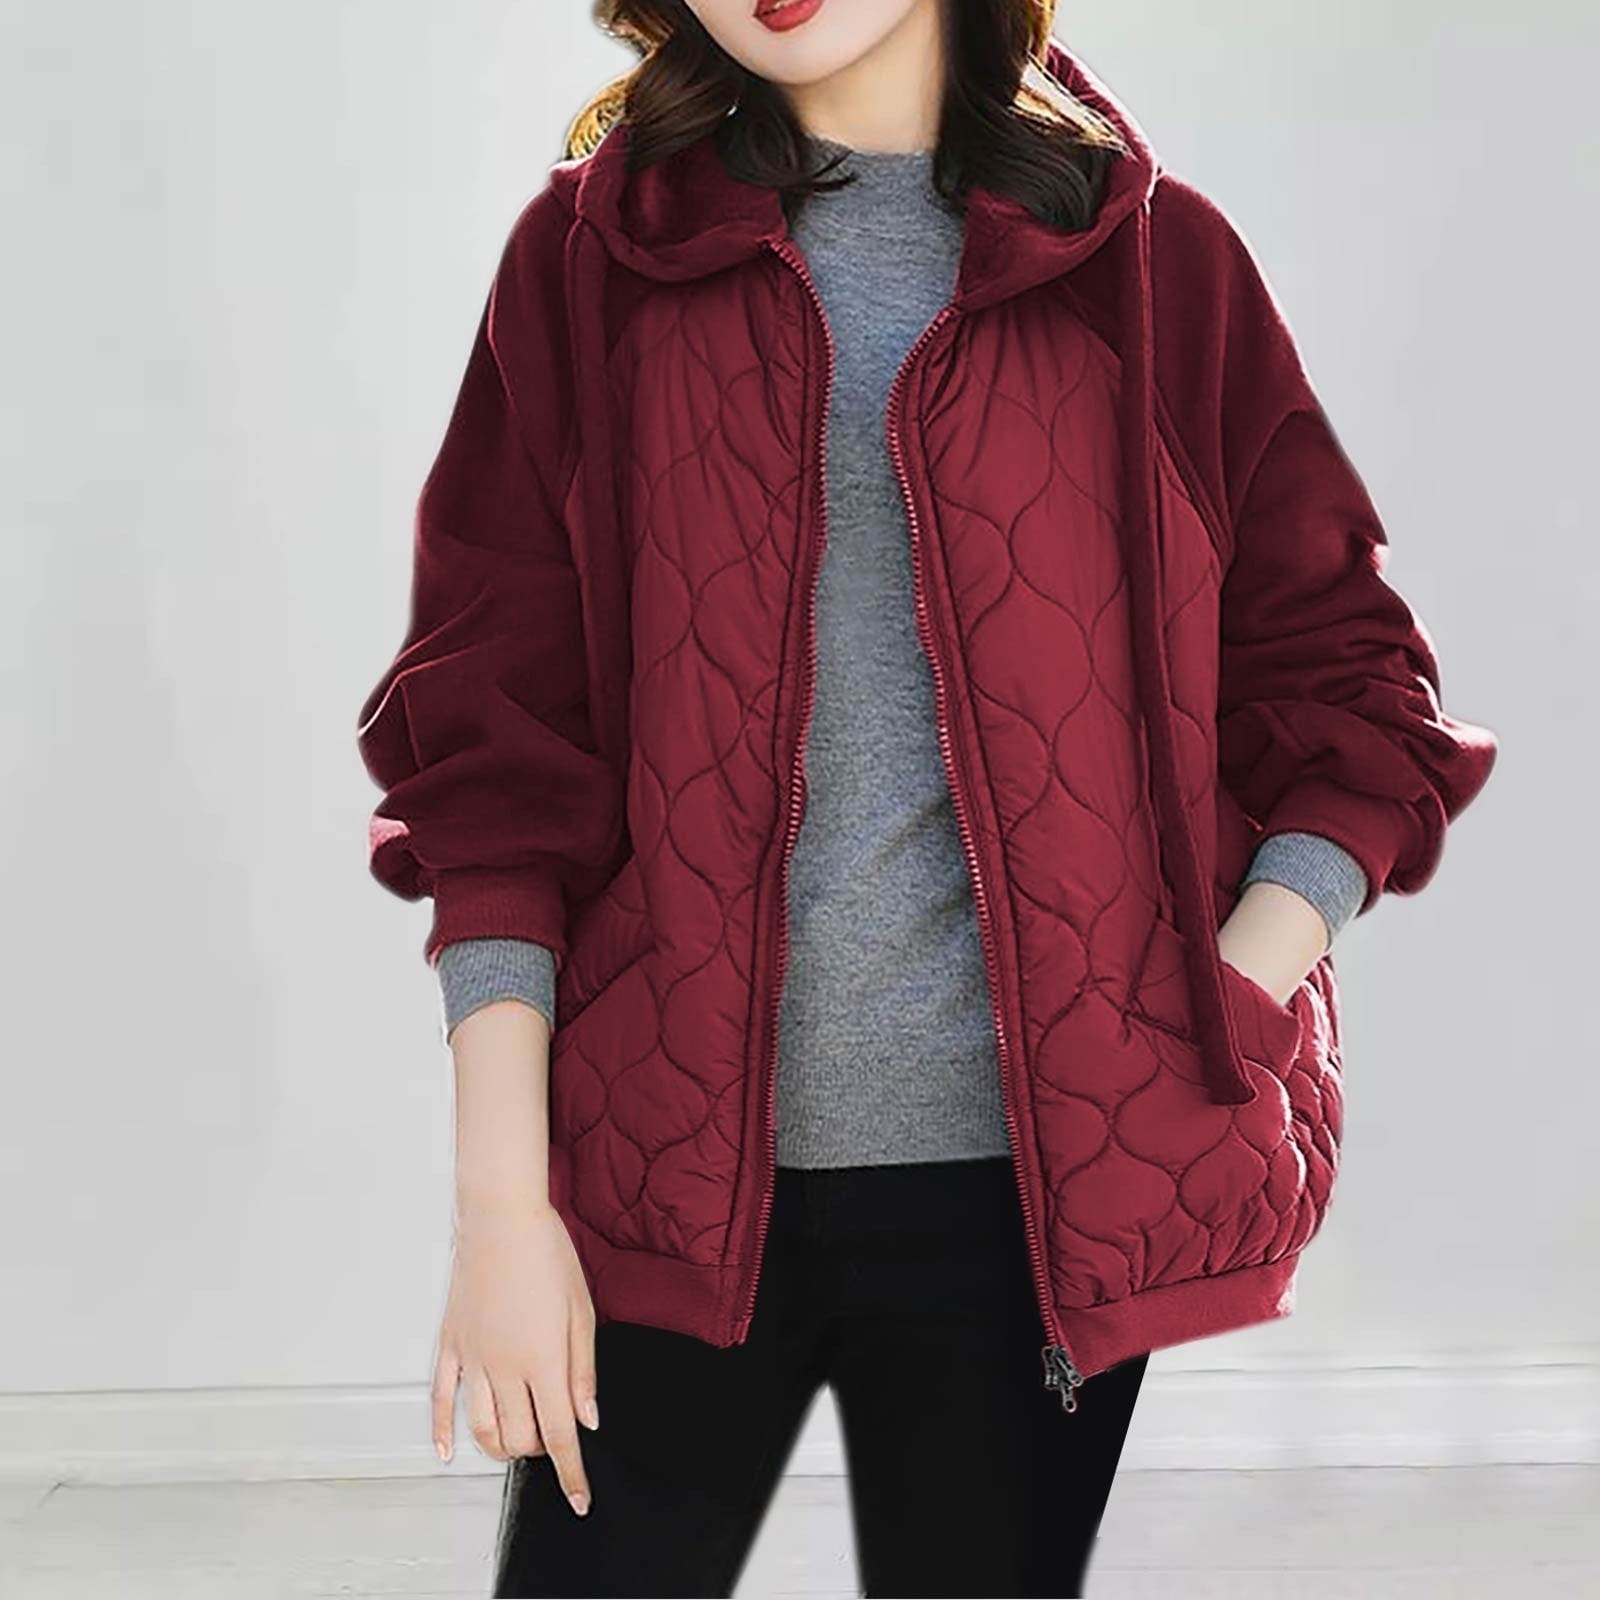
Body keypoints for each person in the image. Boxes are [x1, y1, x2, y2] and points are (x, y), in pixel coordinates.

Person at [353, 2, 1499, 1594]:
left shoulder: (1154, 263)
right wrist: (500, 1203)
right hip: (661, 1182)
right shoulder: (591, 265)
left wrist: (1229, 985)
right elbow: (491, 754)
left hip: (1032, 1208)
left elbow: (1347, 684)